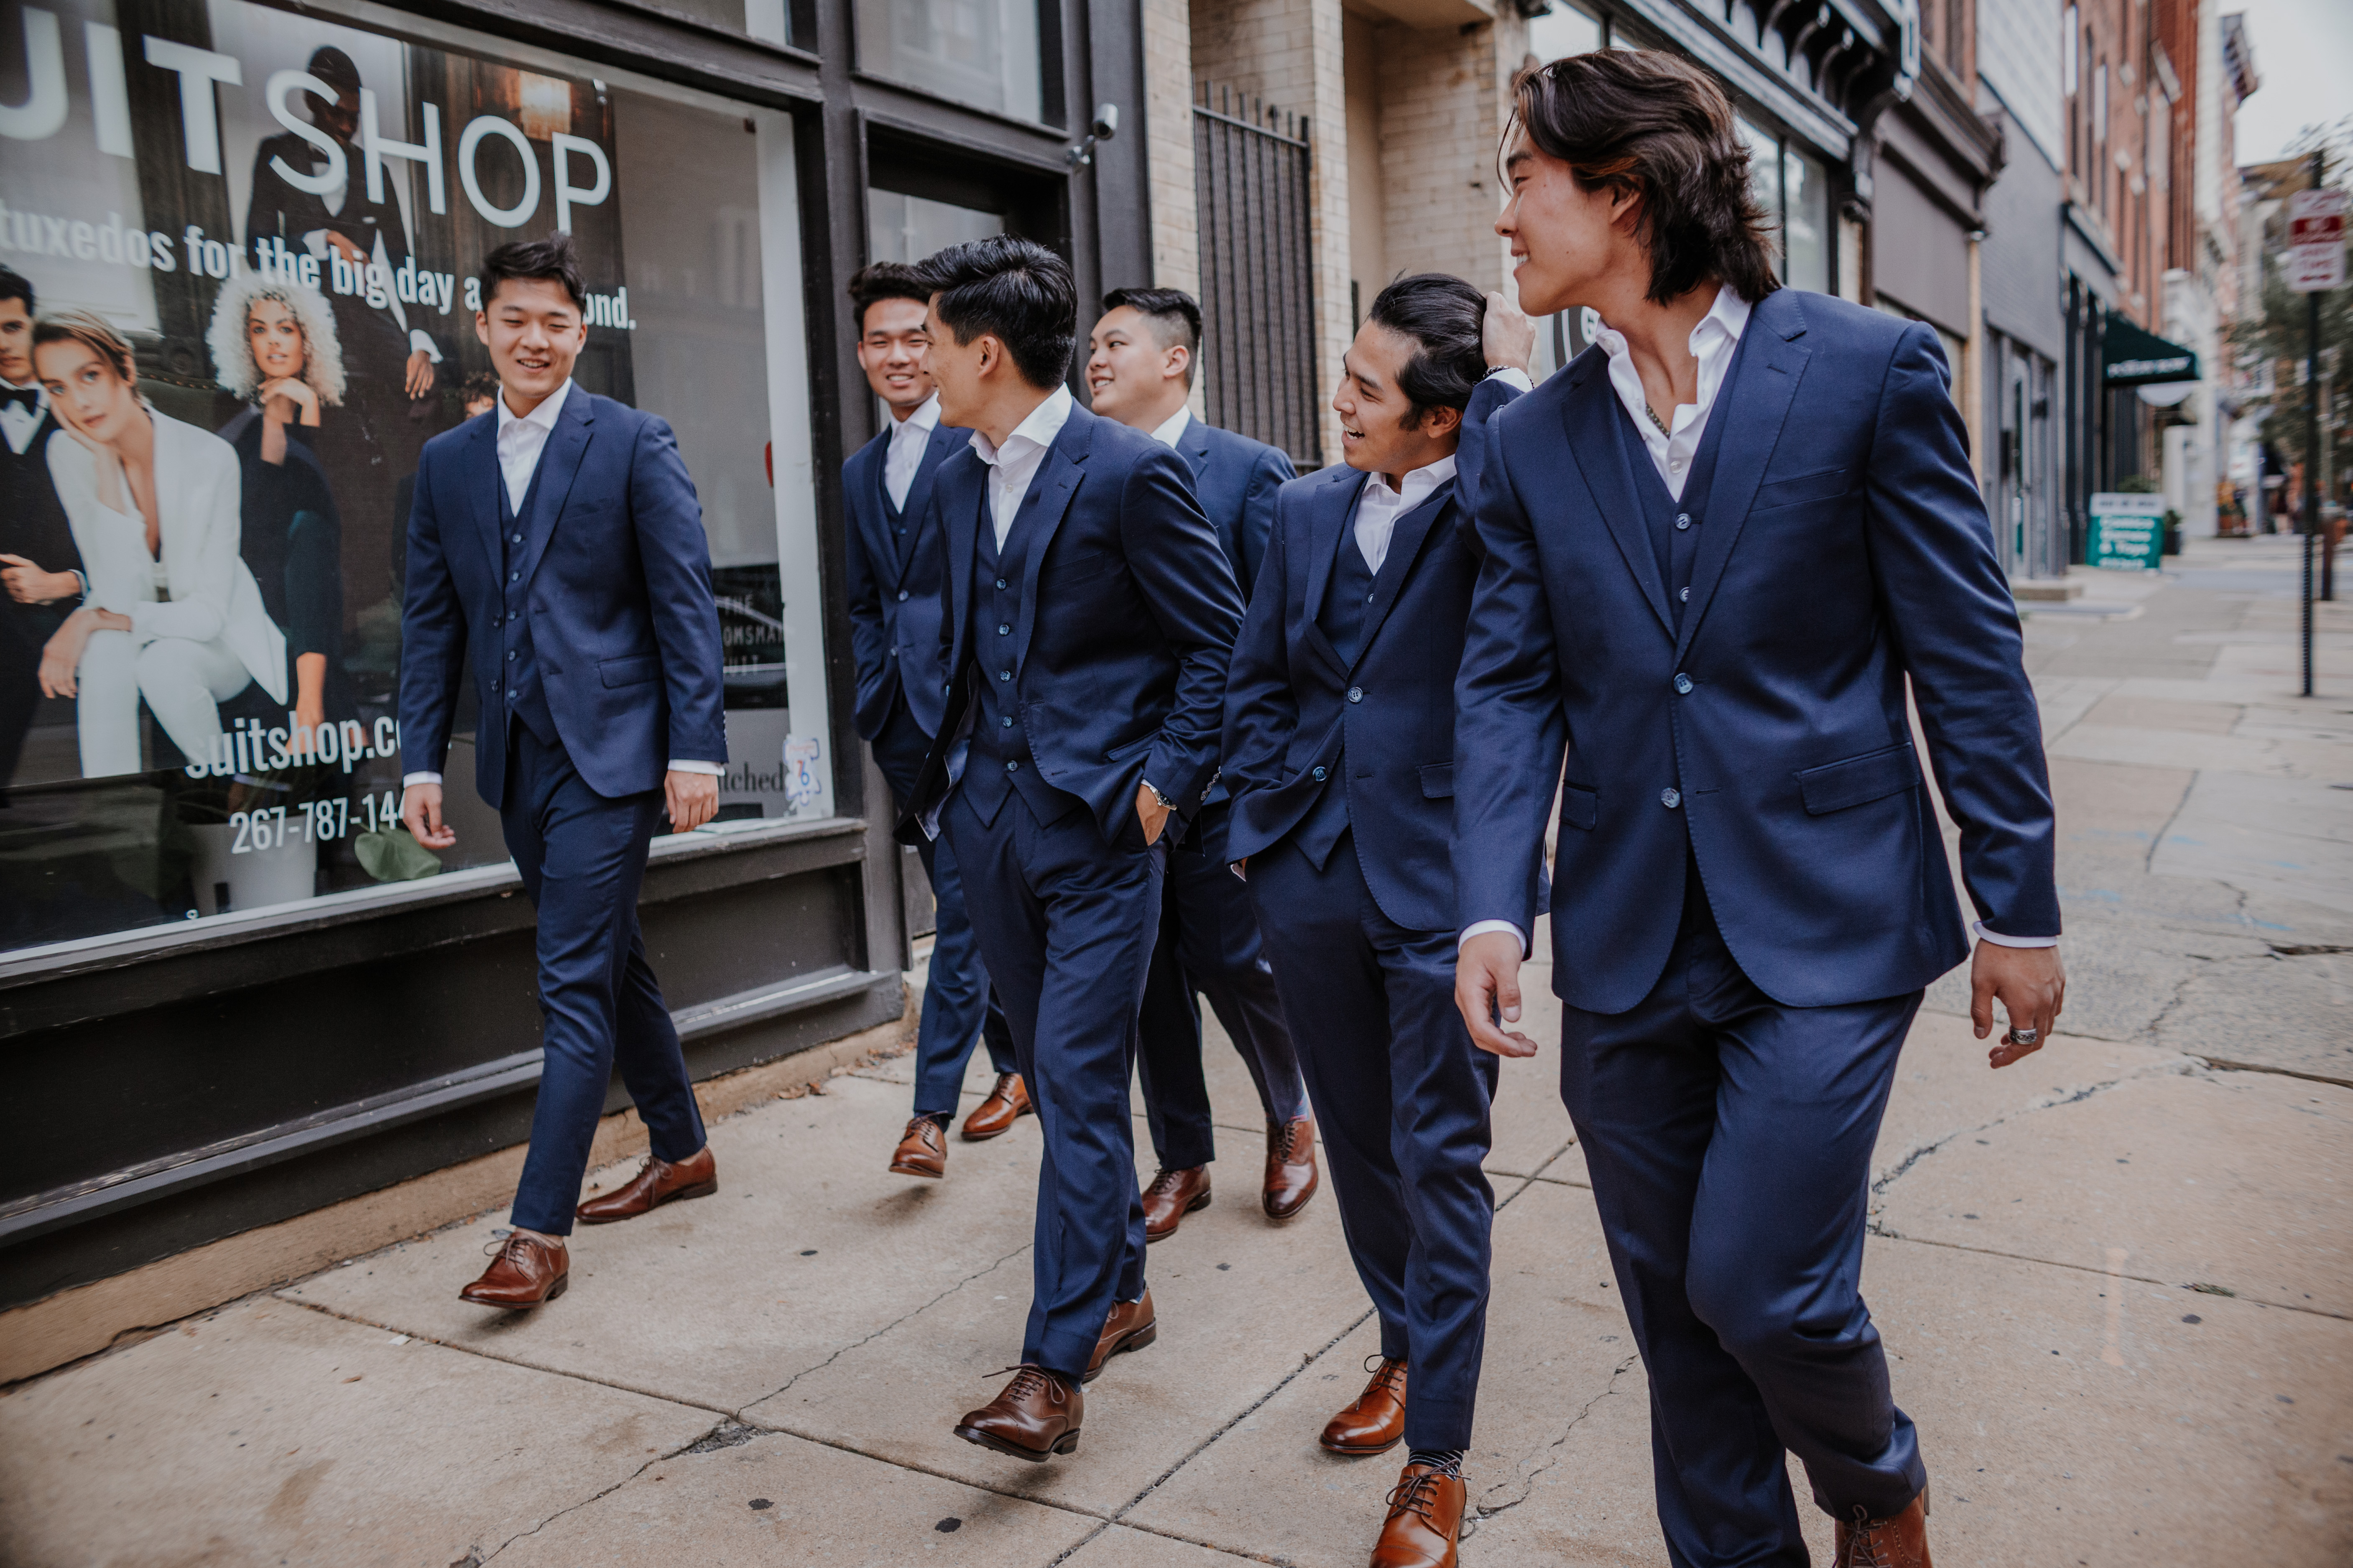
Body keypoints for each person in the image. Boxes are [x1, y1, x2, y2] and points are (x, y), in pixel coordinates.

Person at [1452, 51, 2066, 1568]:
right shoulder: (1528, 437)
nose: (1502, 219)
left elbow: (1963, 653)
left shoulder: (1863, 371)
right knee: (1676, 1329)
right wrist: (1488, 898)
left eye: (1519, 179)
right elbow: (1506, 686)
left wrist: (2019, 906)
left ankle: (1875, 1481)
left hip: (1834, 914)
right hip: (1624, 937)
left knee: (1760, 1284)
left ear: (1623, 192)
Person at [892, 236, 1242, 1462]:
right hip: (984, 830)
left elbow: (1221, 640)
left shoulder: (1125, 474)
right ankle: (1125, 1287)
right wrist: (933, 780)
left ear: (984, 352)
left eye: (932, 340)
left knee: (1081, 1084)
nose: (918, 360)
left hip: (1103, 834)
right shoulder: (944, 469)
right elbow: (931, 623)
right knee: (1057, 1073)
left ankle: (1051, 1364)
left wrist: (1160, 787)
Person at [1222, 274, 1529, 1568]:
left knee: (1440, 1154)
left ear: (1443, 419)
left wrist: (1508, 371)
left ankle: (1436, 1460)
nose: (1336, 402)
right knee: (1355, 1138)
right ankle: (1402, 1346)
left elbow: (1553, 457)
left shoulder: (1495, 502)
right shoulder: (1299, 508)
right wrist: (1256, 830)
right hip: (1307, 871)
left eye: (1365, 388)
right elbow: (1259, 674)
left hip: (1447, 887)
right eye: (1343, 376)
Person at [398, 234, 728, 1309]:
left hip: (615, 753)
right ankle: (681, 1147)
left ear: (582, 333)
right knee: (611, 953)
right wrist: (418, 761)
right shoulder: (449, 462)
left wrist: (694, 747)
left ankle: (536, 1232)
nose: (534, 338)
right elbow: (429, 622)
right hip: (515, 758)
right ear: (482, 326)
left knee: (572, 980)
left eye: (555, 321)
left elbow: (685, 602)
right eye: (515, 319)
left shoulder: (633, 440)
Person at [1082, 286, 1316, 1237]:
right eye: (1090, 344)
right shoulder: (1088, 468)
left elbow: (1272, 636)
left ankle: (1292, 1108)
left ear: (1174, 358)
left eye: (1115, 343)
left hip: (1220, 779)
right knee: (1148, 980)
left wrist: (1259, 781)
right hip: (1118, 779)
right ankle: (1183, 1156)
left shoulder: (1250, 471)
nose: (1093, 358)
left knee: (1232, 958)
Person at [841, 262, 1028, 1179]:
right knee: (974, 904)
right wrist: (876, 689)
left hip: (978, 724)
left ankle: (927, 1114)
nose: (899, 354)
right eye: (880, 339)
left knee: (958, 910)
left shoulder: (979, 448)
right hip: (903, 727)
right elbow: (866, 602)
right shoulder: (859, 471)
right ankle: (1022, 1061)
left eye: (918, 335)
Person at [31, 313, 287, 778]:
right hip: (137, 622)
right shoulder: (67, 453)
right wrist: (107, 464)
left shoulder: (211, 458)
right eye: (58, 389)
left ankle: (227, 785)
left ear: (125, 370)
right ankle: (113, 806)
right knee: (107, 651)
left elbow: (208, 614)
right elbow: (116, 590)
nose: (79, 402)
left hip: (219, 640)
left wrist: (94, 617)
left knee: (162, 664)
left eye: (89, 375)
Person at [208, 272, 353, 748]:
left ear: (308, 340)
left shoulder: (339, 418)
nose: (273, 341)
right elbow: (259, 516)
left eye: (286, 328)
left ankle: (311, 710)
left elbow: (336, 507)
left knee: (310, 534)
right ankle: (317, 713)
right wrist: (274, 418)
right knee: (302, 538)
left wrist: (308, 411)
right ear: (244, 340)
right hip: (257, 573)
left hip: (327, 575)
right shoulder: (234, 421)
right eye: (259, 329)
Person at [0, 267, 85, 787]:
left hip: (64, 605)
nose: (2, 343)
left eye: (11, 326)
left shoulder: (86, 414)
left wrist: (60, 583)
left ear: (34, 324)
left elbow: (136, 539)